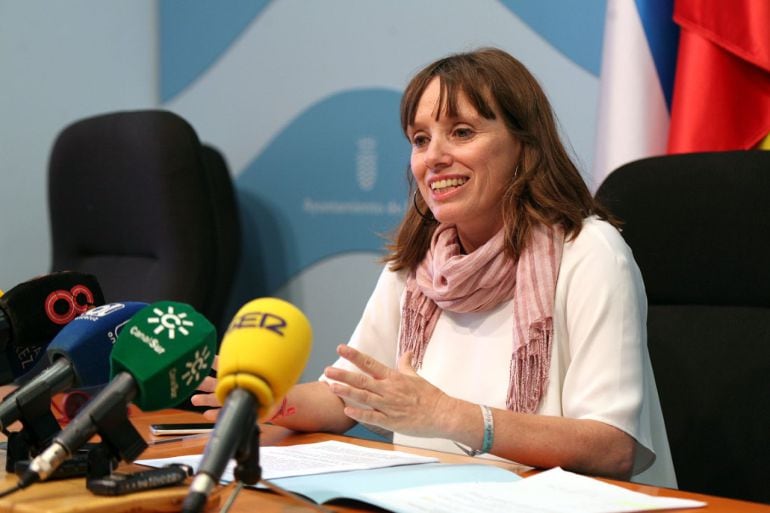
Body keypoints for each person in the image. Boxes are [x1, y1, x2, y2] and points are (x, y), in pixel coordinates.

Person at [192, 47, 676, 487]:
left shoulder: (589, 252)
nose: (434, 158)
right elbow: (347, 397)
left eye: (461, 133)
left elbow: (613, 447)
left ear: (526, 147)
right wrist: (265, 400)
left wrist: (449, 415)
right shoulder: (418, 264)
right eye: (420, 139)